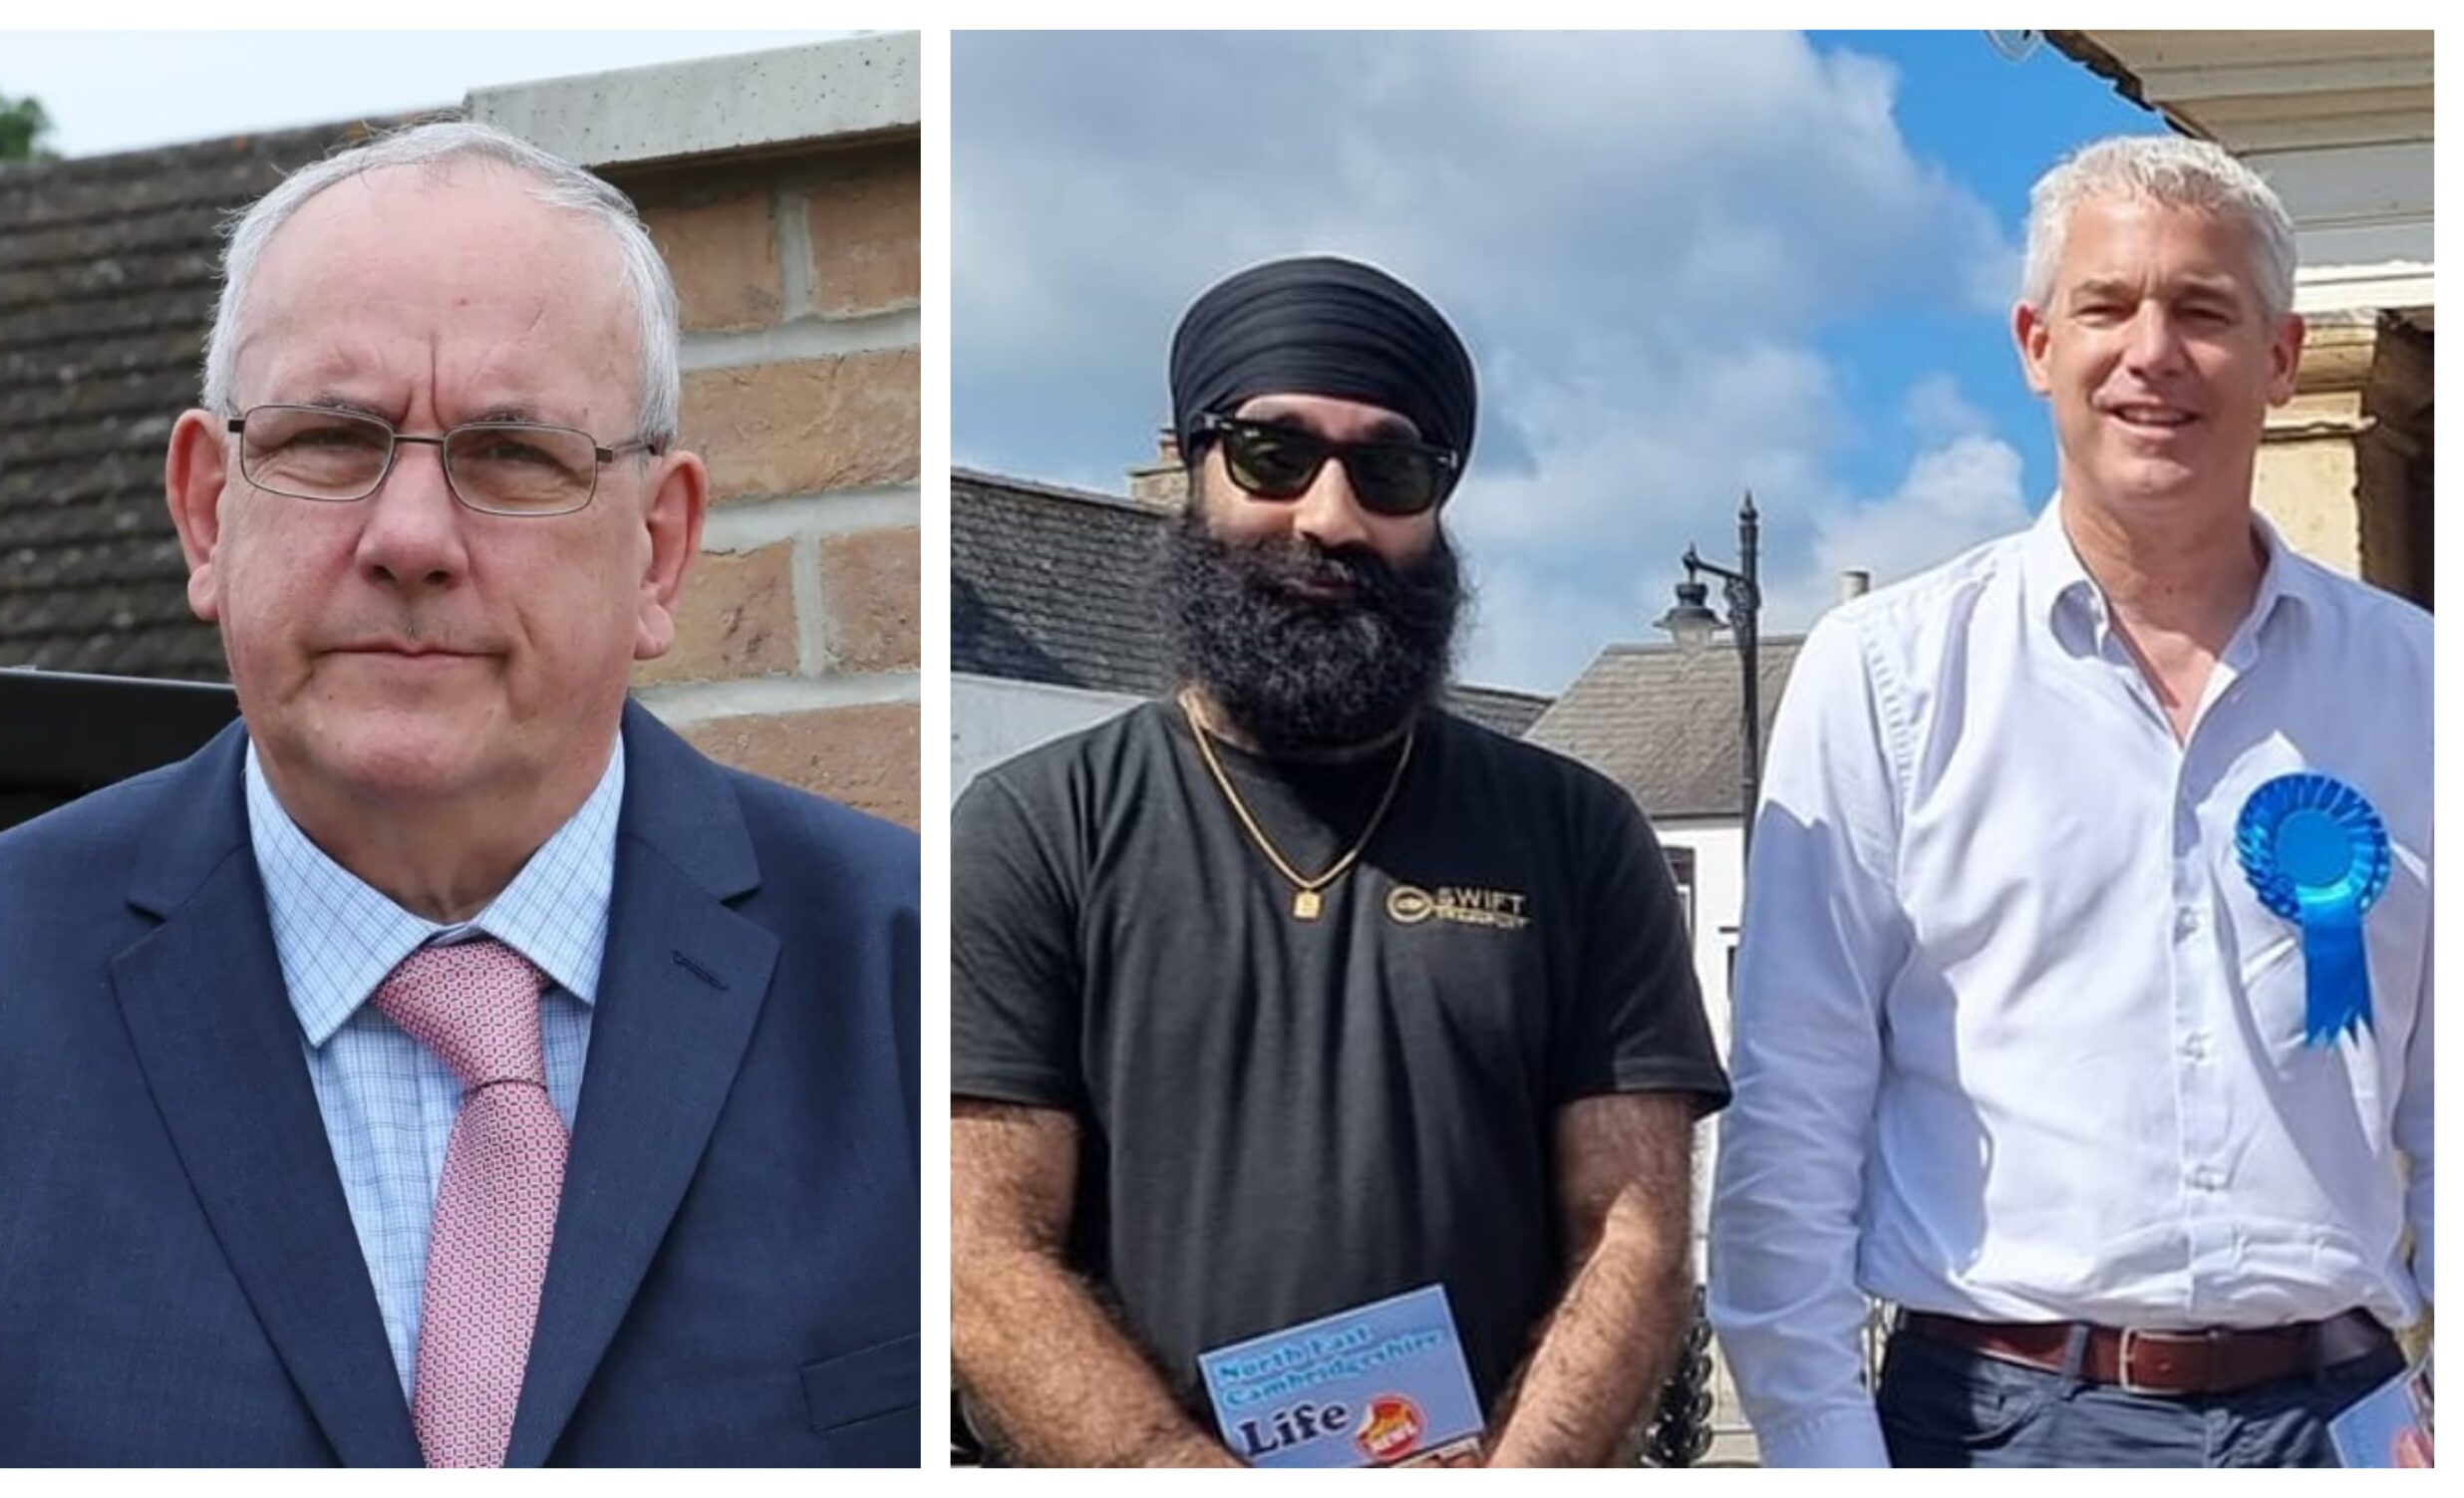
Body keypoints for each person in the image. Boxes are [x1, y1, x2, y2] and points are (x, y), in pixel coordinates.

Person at [0, 122, 918, 1467]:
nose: (409, 538)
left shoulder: (911, 984)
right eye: (331, 438)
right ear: (206, 511)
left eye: (516, 453)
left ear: (662, 547)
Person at [1708, 135, 2430, 1467]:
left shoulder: (2419, 683)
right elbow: (1796, 1108)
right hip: (2001, 1422)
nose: (2152, 350)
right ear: (2038, 342)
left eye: (2205, 310)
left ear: (2281, 358)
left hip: (2348, 1419)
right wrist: (1822, 1451)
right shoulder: (1889, 677)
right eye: (2108, 305)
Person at [951, 254, 1729, 1467]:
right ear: (1192, 467)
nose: (1329, 514)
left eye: (1389, 470)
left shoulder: (1577, 832)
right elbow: (980, 1249)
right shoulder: (1036, 828)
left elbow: (1629, 1228)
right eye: (1272, 455)